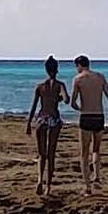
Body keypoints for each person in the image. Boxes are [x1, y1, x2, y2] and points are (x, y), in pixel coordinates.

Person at [68, 55, 108, 193]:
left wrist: (80, 109)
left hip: (86, 116)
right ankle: (97, 176)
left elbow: (73, 102)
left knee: (84, 153)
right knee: (96, 149)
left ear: (79, 65)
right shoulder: (100, 77)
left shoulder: (78, 79)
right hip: (99, 116)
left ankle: (88, 187)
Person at [25, 57, 69, 198]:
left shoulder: (40, 86)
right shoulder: (59, 85)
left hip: (41, 119)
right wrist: (59, 99)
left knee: (41, 154)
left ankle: (39, 181)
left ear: (46, 70)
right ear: (56, 70)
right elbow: (67, 99)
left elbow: (33, 107)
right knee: (51, 154)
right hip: (54, 119)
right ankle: (48, 186)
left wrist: (28, 124)